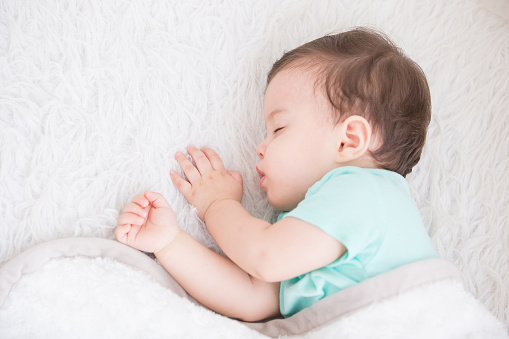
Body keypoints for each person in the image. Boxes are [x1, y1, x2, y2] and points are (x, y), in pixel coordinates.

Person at [115, 27, 438, 322]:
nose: (260, 146)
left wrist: (216, 204)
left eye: (278, 128)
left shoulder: (366, 193)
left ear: (348, 140)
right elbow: (253, 298)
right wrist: (170, 243)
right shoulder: (310, 230)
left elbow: (264, 256)